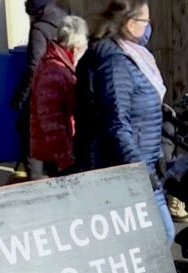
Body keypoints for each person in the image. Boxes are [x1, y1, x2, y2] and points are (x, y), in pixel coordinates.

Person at [74, 0, 174, 242]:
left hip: (141, 164)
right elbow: (116, 123)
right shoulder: (114, 62)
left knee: (155, 238)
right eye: (146, 21)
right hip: (124, 170)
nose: (149, 27)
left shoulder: (133, 56)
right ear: (131, 24)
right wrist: (140, 169)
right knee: (160, 235)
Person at [9, 0, 68, 182]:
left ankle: (37, 183)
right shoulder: (66, 20)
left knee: (27, 132)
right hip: (65, 89)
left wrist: (19, 97)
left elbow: (34, 68)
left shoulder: (40, 29)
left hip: (42, 94)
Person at [29, 15, 88, 178]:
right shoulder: (54, 71)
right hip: (56, 155)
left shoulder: (58, 64)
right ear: (75, 47)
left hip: (59, 151)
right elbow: (51, 123)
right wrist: (66, 162)